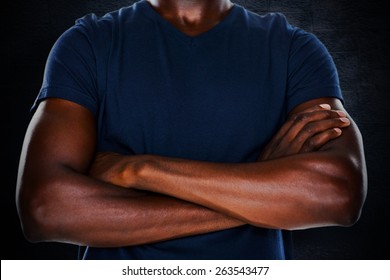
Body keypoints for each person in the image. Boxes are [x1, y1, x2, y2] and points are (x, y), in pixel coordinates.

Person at [16, 0, 367, 260]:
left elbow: (338, 195)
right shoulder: (87, 44)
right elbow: (44, 209)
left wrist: (136, 169)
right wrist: (261, 190)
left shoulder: (295, 50)